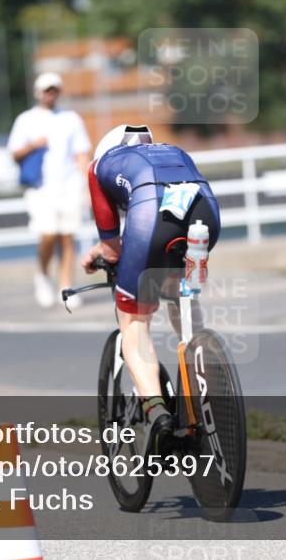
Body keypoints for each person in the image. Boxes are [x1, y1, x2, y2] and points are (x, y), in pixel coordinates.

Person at [82, 125, 220, 455]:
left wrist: (96, 255)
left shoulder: (100, 166)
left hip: (150, 218)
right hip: (205, 214)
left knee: (134, 324)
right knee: (180, 292)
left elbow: (112, 248)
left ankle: (156, 412)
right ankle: (203, 384)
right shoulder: (172, 151)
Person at [9, 72, 91, 309]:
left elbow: (81, 153)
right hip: (41, 186)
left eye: (54, 89)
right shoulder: (26, 120)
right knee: (47, 235)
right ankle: (43, 276)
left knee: (67, 237)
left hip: (68, 184)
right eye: (47, 90)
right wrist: (35, 144)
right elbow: (14, 152)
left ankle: (66, 286)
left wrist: (86, 185)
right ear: (38, 93)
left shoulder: (71, 118)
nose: (50, 94)